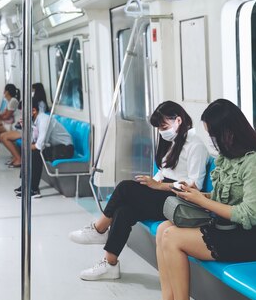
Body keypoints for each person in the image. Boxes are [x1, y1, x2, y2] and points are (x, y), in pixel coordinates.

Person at [155, 99, 256, 300]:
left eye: (213, 135)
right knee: (163, 229)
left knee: (172, 237)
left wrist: (203, 201)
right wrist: (197, 195)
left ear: (229, 132)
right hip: (231, 227)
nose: (212, 141)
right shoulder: (228, 159)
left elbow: (251, 215)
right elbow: (219, 198)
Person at [69, 101, 210, 281]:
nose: (161, 131)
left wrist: (161, 186)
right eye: (159, 127)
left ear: (179, 120)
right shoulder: (173, 142)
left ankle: (99, 228)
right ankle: (110, 264)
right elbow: (164, 171)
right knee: (124, 211)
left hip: (179, 199)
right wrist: (152, 182)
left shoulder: (195, 146)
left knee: (124, 188)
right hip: (164, 192)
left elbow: (195, 184)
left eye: (164, 126)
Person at [15, 99, 73, 199]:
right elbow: (32, 140)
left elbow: (39, 145)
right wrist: (24, 127)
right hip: (53, 146)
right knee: (28, 151)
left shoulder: (44, 120)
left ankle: (33, 189)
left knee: (36, 153)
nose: (22, 116)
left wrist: (28, 147)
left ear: (33, 111)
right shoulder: (34, 121)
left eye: (23, 113)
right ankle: (25, 184)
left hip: (65, 149)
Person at [0, 83, 49, 167]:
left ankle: (19, 159)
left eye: (32, 91)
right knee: (1, 135)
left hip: (31, 130)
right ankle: (16, 157)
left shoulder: (40, 107)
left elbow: (37, 134)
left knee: (4, 136)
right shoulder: (33, 104)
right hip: (30, 129)